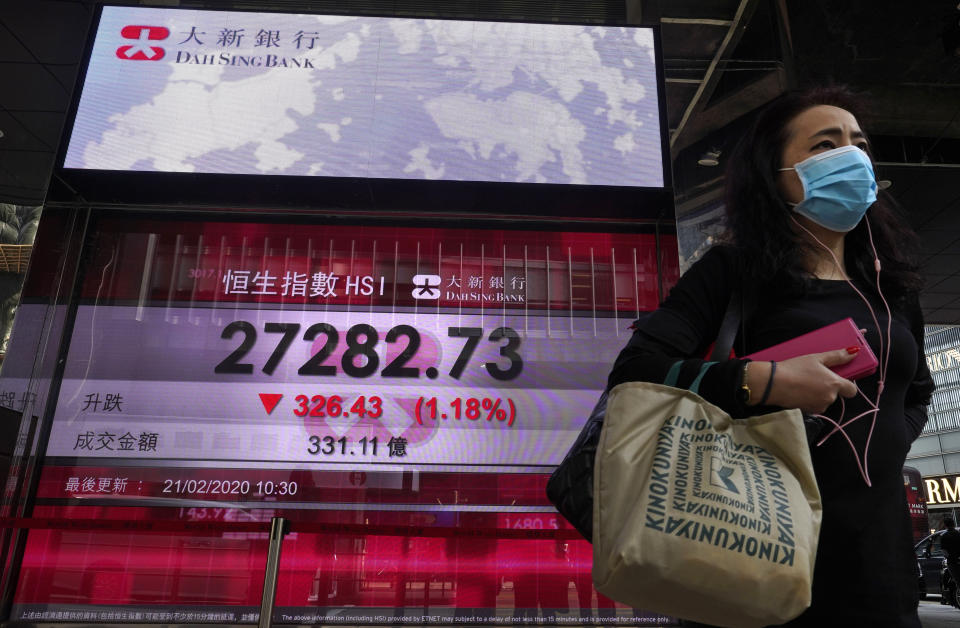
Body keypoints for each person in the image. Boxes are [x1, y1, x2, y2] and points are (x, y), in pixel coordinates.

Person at [607, 86, 935, 627]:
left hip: (882, 566)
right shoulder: (730, 272)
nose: (850, 156)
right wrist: (764, 381)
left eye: (859, 143)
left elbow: (917, 389)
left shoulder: (891, 285)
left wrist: (886, 441)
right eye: (825, 145)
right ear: (774, 174)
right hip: (752, 545)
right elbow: (635, 374)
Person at [942, 518, 960, 591]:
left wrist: (948, 557)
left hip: (952, 562)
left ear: (945, 525)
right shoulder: (958, 534)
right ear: (953, 524)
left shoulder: (944, 536)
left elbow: (944, 552)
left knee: (958, 581)